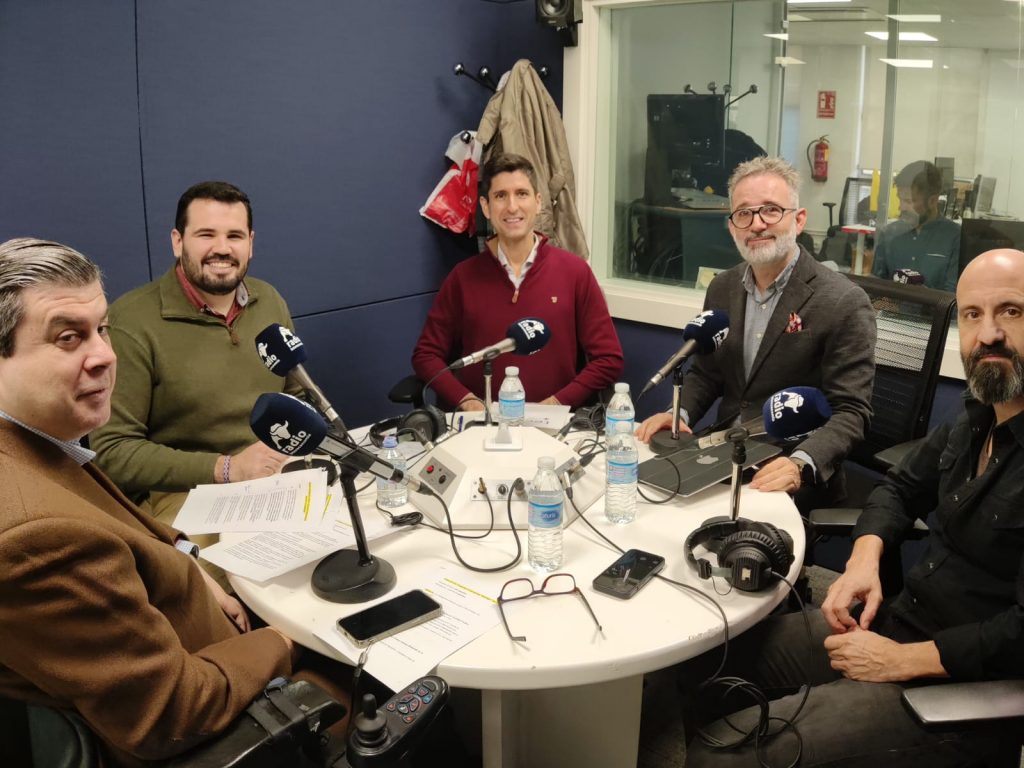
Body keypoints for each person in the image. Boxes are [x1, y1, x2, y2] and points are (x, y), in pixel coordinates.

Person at [0, 238, 346, 766]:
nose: (105, 356)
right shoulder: (33, 537)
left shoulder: (35, 442)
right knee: (386, 675)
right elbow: (170, 714)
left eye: (101, 330)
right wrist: (285, 639)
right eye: (68, 338)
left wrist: (186, 556)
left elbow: (107, 516)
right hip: (220, 715)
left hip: (209, 642)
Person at [683, 248, 1024, 767]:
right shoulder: (979, 415)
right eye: (973, 315)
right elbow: (899, 488)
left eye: (1012, 311)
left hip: (961, 688)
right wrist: (865, 559)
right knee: (711, 658)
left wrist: (903, 660)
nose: (989, 334)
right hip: (901, 622)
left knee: (720, 758)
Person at [636, 156, 875, 511]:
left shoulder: (843, 301)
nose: (757, 224)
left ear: (799, 219)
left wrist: (800, 463)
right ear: (732, 226)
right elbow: (708, 373)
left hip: (789, 460)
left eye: (771, 210)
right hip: (725, 449)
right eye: (744, 214)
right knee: (646, 498)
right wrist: (680, 414)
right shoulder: (723, 287)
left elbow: (851, 411)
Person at [91, 181, 301, 529]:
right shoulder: (131, 322)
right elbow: (112, 450)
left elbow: (297, 397)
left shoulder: (269, 300)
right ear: (178, 242)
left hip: (272, 477)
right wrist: (227, 468)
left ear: (250, 243)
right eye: (206, 235)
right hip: (184, 493)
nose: (222, 249)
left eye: (235, 236)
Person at [412, 153, 624, 411]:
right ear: (486, 207)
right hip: (483, 423)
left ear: (538, 202)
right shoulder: (462, 278)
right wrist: (467, 402)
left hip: (555, 424)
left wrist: (556, 404)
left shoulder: (575, 272)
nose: (512, 207)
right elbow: (426, 355)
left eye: (522, 194)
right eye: (501, 196)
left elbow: (608, 358)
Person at [871, 160, 961, 291]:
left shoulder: (954, 237)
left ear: (933, 201)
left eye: (908, 201)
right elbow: (876, 288)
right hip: (891, 305)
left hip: (934, 305)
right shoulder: (890, 234)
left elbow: (953, 296)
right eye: (900, 199)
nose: (901, 207)